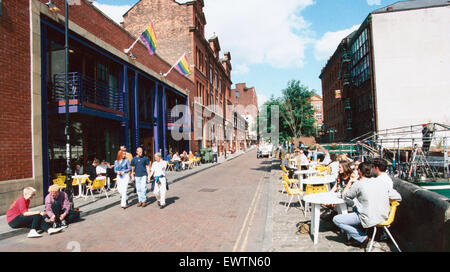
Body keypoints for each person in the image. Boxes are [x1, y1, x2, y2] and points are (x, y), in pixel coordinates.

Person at [332, 162, 402, 249]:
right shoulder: (382, 182)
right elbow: (398, 197)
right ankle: (359, 235)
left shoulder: (359, 183)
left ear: (360, 172)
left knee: (337, 219)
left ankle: (363, 238)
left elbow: (345, 195)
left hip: (368, 218)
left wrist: (350, 182)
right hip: (384, 216)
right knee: (356, 208)